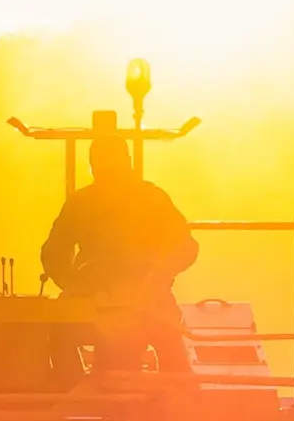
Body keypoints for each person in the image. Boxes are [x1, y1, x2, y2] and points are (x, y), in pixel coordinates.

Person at [40, 137, 197, 373]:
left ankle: (71, 390)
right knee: (172, 344)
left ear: (93, 165)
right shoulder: (152, 197)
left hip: (96, 301)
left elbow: (52, 254)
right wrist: (159, 277)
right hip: (144, 300)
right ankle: (174, 397)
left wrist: (73, 286)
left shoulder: (80, 202)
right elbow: (187, 247)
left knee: (57, 333)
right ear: (129, 161)